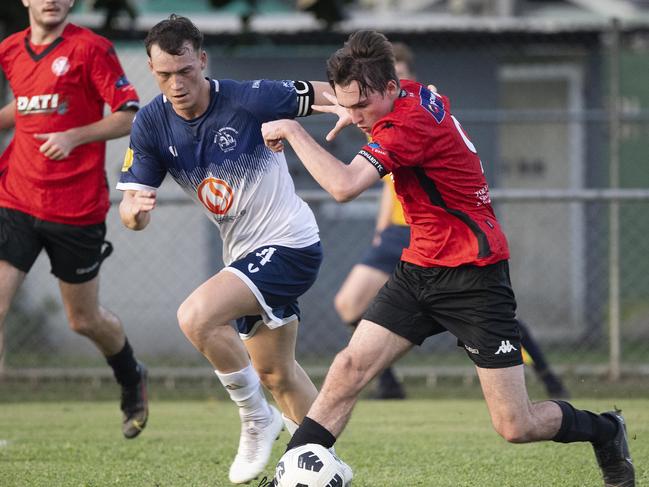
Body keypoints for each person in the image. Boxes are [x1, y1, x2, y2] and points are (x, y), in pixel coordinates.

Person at [261, 30, 634, 486]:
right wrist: (355, 107)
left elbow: (342, 186)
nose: (355, 117)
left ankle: (606, 430)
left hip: (475, 276)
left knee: (515, 425)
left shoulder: (407, 125)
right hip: (420, 268)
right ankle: (288, 476)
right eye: (348, 106)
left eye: (362, 106)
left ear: (391, 88)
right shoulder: (414, 95)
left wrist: (294, 129)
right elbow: (404, 101)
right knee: (349, 368)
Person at [116, 14, 346, 484]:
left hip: (290, 243)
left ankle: (254, 418)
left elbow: (324, 92)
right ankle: (322, 466)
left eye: (185, 71)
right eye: (163, 75)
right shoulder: (151, 124)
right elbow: (130, 215)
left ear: (202, 60)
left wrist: (353, 109)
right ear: (151, 70)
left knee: (196, 316)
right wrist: (136, 212)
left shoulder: (248, 98)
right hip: (242, 257)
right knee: (277, 374)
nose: (176, 84)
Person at [334, 41, 569, 401]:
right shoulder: (374, 116)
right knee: (349, 302)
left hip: (448, 234)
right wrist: (382, 229)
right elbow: (388, 183)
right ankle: (387, 381)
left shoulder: (413, 113)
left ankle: (546, 375)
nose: (365, 101)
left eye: (391, 78)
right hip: (403, 232)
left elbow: (352, 181)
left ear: (397, 81)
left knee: (491, 319)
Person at [0, 0, 148, 439]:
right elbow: (28, 107)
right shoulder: (10, 49)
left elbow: (127, 114)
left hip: (77, 207)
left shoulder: (91, 48)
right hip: (16, 198)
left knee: (82, 320)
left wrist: (73, 135)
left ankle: (130, 374)